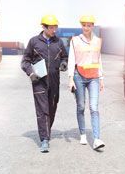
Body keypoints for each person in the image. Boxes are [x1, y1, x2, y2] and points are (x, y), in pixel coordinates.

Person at [21, 14, 68, 153]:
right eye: (51, 28)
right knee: (42, 111)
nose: (54, 30)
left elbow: (64, 57)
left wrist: (64, 63)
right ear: (44, 27)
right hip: (39, 81)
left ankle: (47, 131)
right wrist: (31, 73)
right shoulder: (34, 42)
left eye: (55, 27)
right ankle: (44, 139)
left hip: (54, 81)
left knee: (52, 108)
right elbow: (25, 61)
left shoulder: (58, 42)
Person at [68, 14, 105, 151]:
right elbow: (72, 59)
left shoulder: (98, 41)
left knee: (94, 107)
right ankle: (83, 133)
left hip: (94, 77)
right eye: (84, 25)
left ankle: (96, 139)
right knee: (81, 106)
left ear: (92, 26)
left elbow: (99, 59)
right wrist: (70, 78)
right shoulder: (75, 40)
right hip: (79, 76)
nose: (86, 28)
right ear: (81, 26)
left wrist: (101, 78)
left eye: (88, 25)